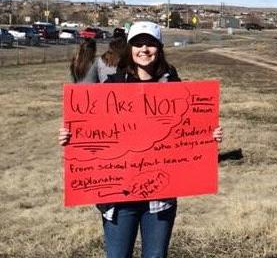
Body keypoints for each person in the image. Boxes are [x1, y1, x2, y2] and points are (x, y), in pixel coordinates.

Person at [59, 21, 223, 258]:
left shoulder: (173, 85)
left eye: (150, 44)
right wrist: (70, 137)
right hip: (119, 195)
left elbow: (188, 131)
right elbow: (93, 132)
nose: (144, 49)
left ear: (159, 48)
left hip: (160, 196)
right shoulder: (112, 86)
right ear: (129, 48)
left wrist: (209, 136)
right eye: (138, 44)